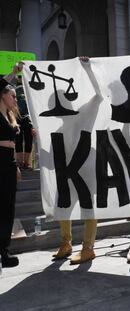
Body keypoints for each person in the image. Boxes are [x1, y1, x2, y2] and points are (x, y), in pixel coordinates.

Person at [52, 56, 98, 265]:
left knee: (88, 207)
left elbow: (98, 96)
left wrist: (88, 69)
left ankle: (88, 248)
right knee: (62, 206)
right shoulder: (59, 129)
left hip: (85, 171)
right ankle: (66, 243)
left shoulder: (82, 116)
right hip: (67, 173)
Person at [0, 62, 23, 268]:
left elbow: (13, 144)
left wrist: (15, 164)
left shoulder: (10, 117)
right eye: (12, 95)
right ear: (2, 94)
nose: (15, 99)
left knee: (8, 209)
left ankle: (4, 252)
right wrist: (14, 72)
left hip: (8, 163)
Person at [15, 80, 36, 170]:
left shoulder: (29, 90)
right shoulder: (16, 89)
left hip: (27, 119)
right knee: (19, 140)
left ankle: (26, 163)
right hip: (18, 117)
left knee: (28, 140)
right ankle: (21, 163)